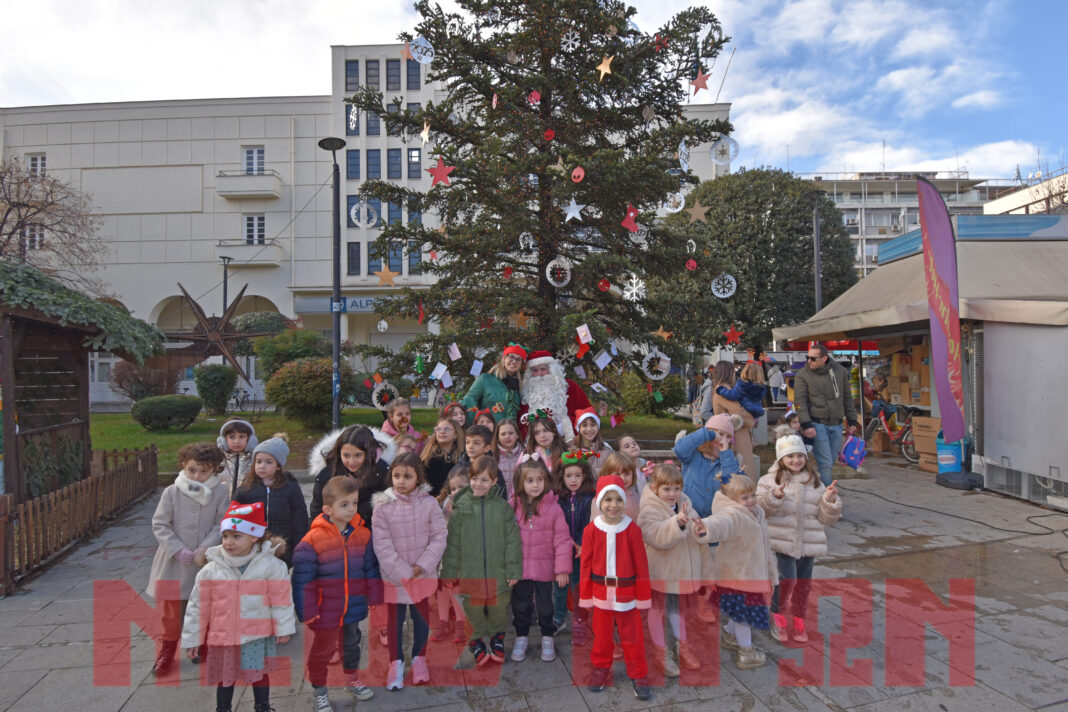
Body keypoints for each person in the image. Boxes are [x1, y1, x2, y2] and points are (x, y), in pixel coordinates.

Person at [181, 501, 295, 712]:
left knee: (258, 674)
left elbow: (281, 600)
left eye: (236, 536)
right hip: (224, 637)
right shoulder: (212, 569)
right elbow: (198, 605)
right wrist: (193, 638)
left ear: (254, 537)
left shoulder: (270, 566)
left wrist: (284, 628)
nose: (228, 542)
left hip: (255, 635)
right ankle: (223, 708)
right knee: (225, 678)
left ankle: (262, 706)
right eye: (225, 536)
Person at [292, 476, 381, 712]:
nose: (352, 509)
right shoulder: (311, 541)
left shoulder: (362, 535)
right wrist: (307, 612)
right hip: (325, 610)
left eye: (354, 503)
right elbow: (302, 581)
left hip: (352, 605)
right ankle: (319, 690)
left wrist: (374, 597)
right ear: (327, 509)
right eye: (344, 504)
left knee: (352, 643)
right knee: (322, 650)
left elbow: (370, 567)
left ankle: (352, 679)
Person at [147, 442, 231, 675]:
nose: (197, 476)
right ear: (184, 465)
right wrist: (177, 549)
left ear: (215, 469)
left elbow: (221, 522)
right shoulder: (172, 492)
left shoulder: (220, 492)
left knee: (206, 605)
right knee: (171, 611)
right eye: (192, 470)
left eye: (204, 471)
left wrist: (206, 546)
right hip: (174, 563)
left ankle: (201, 643)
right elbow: (160, 523)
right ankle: (167, 649)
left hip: (206, 560)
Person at [370, 453, 448, 690]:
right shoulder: (383, 507)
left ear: (418, 478)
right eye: (396, 476)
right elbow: (382, 545)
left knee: (422, 617)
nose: (401, 481)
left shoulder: (429, 503)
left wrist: (424, 565)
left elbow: (439, 536)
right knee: (395, 620)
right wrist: (404, 571)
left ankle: (419, 658)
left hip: (422, 573)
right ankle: (396, 663)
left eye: (407, 476)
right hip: (395, 577)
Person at [757, 434, 842, 643]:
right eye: (790, 456)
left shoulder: (816, 482)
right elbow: (760, 510)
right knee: (787, 579)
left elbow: (825, 518)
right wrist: (774, 498)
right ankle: (777, 614)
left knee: (804, 584)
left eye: (800, 456)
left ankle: (799, 617)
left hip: (808, 542)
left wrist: (830, 501)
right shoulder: (769, 481)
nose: (796, 460)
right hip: (781, 541)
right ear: (781, 459)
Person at [441, 455, 522, 666]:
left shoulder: (503, 508)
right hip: (470, 574)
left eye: (485, 480)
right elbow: (453, 545)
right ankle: (475, 642)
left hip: (499, 574)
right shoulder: (461, 510)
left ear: (494, 482)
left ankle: (497, 639)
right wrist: (450, 572)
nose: (479, 484)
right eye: (475, 479)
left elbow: (512, 541)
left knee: (498, 611)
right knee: (473, 612)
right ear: (470, 479)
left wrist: (513, 570)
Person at [692, 473, 778, 671]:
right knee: (744, 615)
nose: (750, 500)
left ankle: (730, 635)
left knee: (739, 612)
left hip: (752, 572)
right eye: (744, 497)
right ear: (732, 500)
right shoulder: (733, 514)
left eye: (752, 495)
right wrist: (705, 528)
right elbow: (720, 523)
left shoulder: (757, 513)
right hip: (738, 575)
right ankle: (746, 652)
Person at [579, 475, 653, 701]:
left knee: (632, 637)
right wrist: (585, 596)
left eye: (618, 500)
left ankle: (638, 673)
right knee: (601, 636)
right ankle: (601, 668)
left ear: (624, 502)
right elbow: (586, 565)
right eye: (608, 499)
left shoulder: (632, 530)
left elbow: (641, 564)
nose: (613, 505)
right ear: (599, 502)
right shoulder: (591, 530)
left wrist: (643, 596)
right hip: (600, 594)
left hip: (627, 594)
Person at [636, 463, 706, 678]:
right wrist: (677, 523)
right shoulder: (649, 509)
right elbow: (656, 536)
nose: (672, 494)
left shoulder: (684, 502)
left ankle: (682, 645)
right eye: (667, 489)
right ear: (655, 488)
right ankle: (661, 651)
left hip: (679, 572)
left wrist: (700, 528)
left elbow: (694, 522)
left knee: (677, 610)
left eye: (676, 488)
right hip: (660, 572)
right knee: (657, 610)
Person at [509, 459, 571, 663]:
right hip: (520, 569)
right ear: (520, 483)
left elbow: (562, 539)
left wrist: (562, 569)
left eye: (540, 480)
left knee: (545, 606)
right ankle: (521, 636)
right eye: (529, 480)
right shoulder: (513, 506)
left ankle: (547, 636)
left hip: (544, 568)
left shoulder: (554, 509)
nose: (535, 485)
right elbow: (505, 538)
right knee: (521, 605)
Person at [234, 434, 309, 567]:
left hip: (282, 546)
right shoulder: (247, 487)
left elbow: (299, 519)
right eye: (259, 462)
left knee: (278, 582)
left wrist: (298, 546)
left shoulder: (290, 487)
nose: (262, 466)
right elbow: (235, 517)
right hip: (253, 546)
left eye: (269, 462)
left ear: (278, 465)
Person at [794, 343, 859, 486]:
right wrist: (806, 424)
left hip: (836, 422)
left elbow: (847, 397)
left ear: (824, 358)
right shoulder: (802, 375)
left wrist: (852, 420)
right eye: (807, 357)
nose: (809, 361)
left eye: (813, 358)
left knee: (831, 460)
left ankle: (820, 488)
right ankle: (827, 494)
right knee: (826, 461)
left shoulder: (840, 372)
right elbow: (800, 402)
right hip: (817, 423)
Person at [309, 425, 395, 527]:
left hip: (369, 534)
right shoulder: (327, 474)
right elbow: (317, 510)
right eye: (346, 455)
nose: (351, 462)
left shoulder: (383, 473)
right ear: (339, 452)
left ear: (368, 453)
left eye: (358, 455)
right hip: (333, 532)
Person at [552, 451, 596, 643]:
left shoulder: (589, 498)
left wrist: (581, 544)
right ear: (562, 477)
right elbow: (554, 522)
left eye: (578, 475)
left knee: (579, 587)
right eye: (569, 476)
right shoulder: (557, 498)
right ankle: (559, 617)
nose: (573, 480)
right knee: (559, 586)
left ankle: (580, 621)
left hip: (581, 551)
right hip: (561, 550)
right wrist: (566, 542)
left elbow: (590, 523)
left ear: (584, 476)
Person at [673, 414, 744, 519]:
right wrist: (706, 434)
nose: (724, 439)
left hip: (716, 518)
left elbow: (732, 484)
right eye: (720, 433)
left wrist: (725, 455)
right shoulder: (694, 453)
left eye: (728, 436)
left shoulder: (730, 458)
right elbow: (680, 450)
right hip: (689, 514)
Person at [519, 350, 593, 442]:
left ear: (551, 369)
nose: (539, 374)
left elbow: (586, 413)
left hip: (569, 442)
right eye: (535, 370)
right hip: (537, 444)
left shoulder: (570, 387)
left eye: (543, 369)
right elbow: (521, 423)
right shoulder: (527, 392)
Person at [431, 466, 469, 643]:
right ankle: (443, 620)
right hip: (446, 555)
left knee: (455, 589)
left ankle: (460, 622)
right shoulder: (448, 504)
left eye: (462, 487)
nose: (456, 492)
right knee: (442, 590)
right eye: (453, 488)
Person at [705, 361, 757, 476]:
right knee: (743, 469)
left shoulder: (717, 388)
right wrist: (752, 417)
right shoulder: (724, 389)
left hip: (728, 432)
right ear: (729, 373)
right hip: (736, 434)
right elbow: (739, 411)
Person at [461, 343, 528, 425]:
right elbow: (469, 400)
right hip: (487, 433)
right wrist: (477, 424)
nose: (514, 361)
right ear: (504, 359)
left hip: (508, 435)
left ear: (521, 365)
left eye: (518, 359)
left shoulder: (520, 386)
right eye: (511, 357)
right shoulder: (485, 379)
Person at [591, 451, 644, 522]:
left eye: (627, 474)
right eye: (617, 474)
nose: (622, 478)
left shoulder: (636, 496)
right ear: (607, 474)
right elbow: (597, 524)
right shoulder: (601, 499)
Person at [420, 417, 464, 496]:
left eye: (447, 429)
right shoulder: (429, 455)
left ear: (455, 434)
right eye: (438, 429)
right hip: (431, 498)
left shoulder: (462, 456)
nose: (442, 432)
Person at [217, 419, 257, 495]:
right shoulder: (218, 459)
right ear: (224, 440)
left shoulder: (255, 460)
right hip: (223, 503)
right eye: (232, 437)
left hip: (246, 503)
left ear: (250, 440)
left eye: (241, 437)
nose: (237, 441)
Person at [572, 408, 613, 475]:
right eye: (584, 425)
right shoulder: (570, 449)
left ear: (598, 427)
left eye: (593, 425)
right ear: (579, 428)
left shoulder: (607, 452)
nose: (589, 429)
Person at [492, 419, 524, 500]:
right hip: (498, 501)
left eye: (511, 433)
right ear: (498, 437)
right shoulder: (492, 456)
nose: (507, 437)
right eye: (503, 434)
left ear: (517, 435)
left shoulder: (525, 454)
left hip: (520, 501)